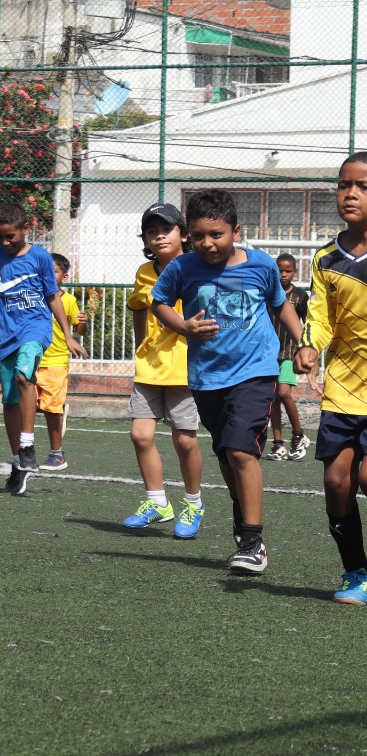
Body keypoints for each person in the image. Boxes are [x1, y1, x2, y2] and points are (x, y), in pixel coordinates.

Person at [152, 189, 306, 574]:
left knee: (241, 450)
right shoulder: (182, 268)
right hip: (207, 378)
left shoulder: (261, 265)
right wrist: (184, 327)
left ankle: (253, 542)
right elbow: (159, 303)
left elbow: (280, 305)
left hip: (256, 371)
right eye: (199, 235)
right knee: (226, 454)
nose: (208, 243)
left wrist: (304, 343)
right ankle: (244, 524)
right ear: (189, 234)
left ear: (236, 230)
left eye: (217, 234)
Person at [295, 151, 367, 605]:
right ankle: (355, 573)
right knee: (337, 482)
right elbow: (321, 318)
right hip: (342, 387)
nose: (351, 193)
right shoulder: (326, 258)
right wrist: (308, 344)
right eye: (344, 185)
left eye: (362, 186)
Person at [0, 203, 79, 496]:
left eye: (11, 237)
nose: (6, 243)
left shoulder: (40, 257)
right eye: (1, 237)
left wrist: (67, 335)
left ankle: (28, 443)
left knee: (24, 376)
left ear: (25, 230)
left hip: (36, 328)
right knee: (9, 401)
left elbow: (53, 297)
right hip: (7, 335)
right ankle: (18, 461)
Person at [121, 202, 206, 539]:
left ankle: (193, 504)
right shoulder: (144, 272)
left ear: (183, 234)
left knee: (184, 442)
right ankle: (158, 503)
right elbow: (138, 308)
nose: (158, 236)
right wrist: (140, 345)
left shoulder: (196, 267)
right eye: (151, 231)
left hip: (186, 367)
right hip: (150, 368)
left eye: (166, 229)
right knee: (140, 435)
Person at [35, 253, 89, 472]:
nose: (48, 274)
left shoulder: (67, 300)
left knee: (50, 408)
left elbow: (79, 328)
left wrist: (83, 324)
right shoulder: (33, 295)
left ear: (64, 276)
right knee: (27, 404)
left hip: (56, 361)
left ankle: (57, 454)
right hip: (32, 358)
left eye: (54, 271)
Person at [266, 252, 312, 461]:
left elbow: (307, 324)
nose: (283, 274)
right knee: (272, 398)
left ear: (295, 272)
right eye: (279, 270)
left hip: (288, 353)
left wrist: (306, 348)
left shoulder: (300, 296)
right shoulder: (267, 292)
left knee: (284, 393)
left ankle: (298, 435)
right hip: (267, 354)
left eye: (288, 271)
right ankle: (277, 443)